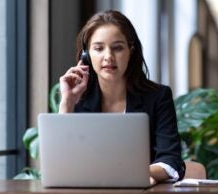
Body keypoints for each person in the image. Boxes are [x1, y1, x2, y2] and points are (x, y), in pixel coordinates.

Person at [58, 10, 185, 183]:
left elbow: (171, 162)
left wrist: (128, 174)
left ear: (130, 51)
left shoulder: (158, 97)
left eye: (117, 48)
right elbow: (61, 165)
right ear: (86, 55)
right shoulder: (78, 100)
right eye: (98, 48)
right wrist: (67, 102)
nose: (108, 57)